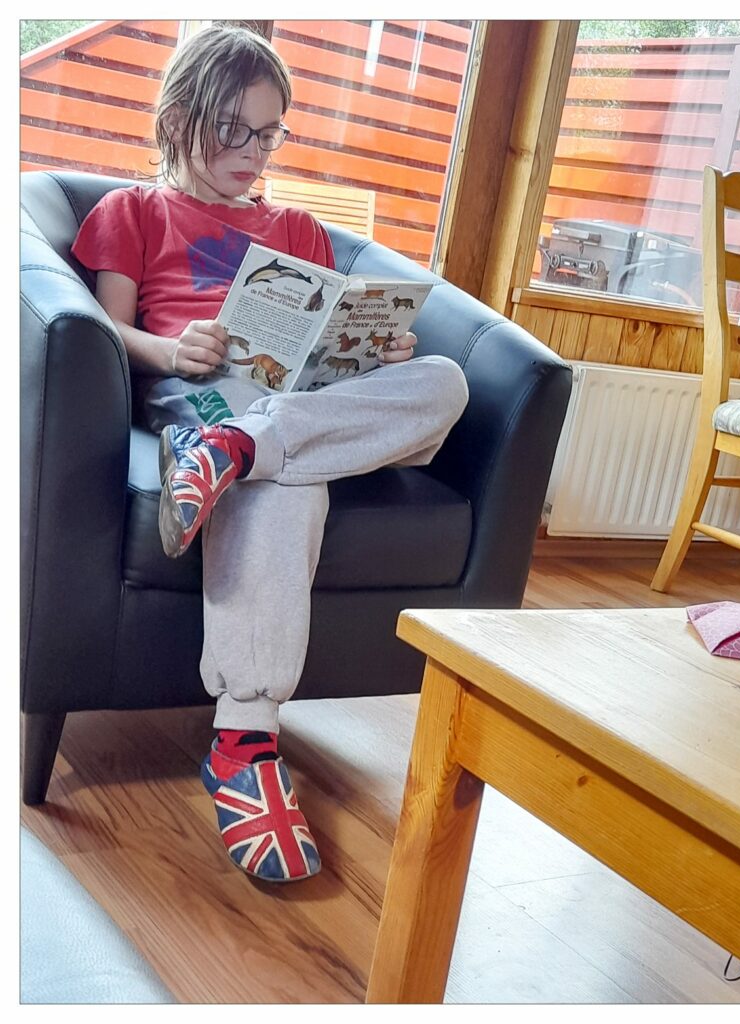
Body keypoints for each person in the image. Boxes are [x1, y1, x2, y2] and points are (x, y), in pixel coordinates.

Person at [71, 24, 469, 883]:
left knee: (443, 382)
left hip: (286, 407)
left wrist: (377, 354)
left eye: (270, 133)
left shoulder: (298, 228)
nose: (254, 152)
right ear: (178, 120)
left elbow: (328, 342)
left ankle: (238, 451)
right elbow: (106, 327)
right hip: (197, 388)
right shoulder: (131, 212)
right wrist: (170, 349)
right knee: (291, 479)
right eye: (234, 131)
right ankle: (244, 744)